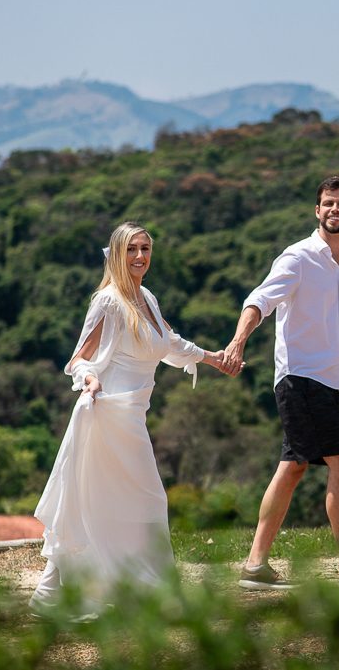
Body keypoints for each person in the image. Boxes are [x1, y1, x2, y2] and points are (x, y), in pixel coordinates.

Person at [30, 222, 237, 617]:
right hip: (106, 414)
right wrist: (89, 379)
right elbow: (79, 359)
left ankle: (54, 595)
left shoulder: (147, 298)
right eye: (131, 249)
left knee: (109, 503)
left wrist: (213, 358)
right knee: (124, 501)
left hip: (132, 418)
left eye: (145, 248)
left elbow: (169, 343)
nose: (140, 256)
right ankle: (151, 595)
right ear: (117, 254)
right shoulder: (107, 301)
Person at [221, 176, 339, 589]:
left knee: (293, 467)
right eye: (327, 203)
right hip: (298, 377)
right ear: (317, 210)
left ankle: (255, 565)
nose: (334, 210)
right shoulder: (298, 258)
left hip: (330, 383)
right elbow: (258, 301)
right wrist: (237, 342)